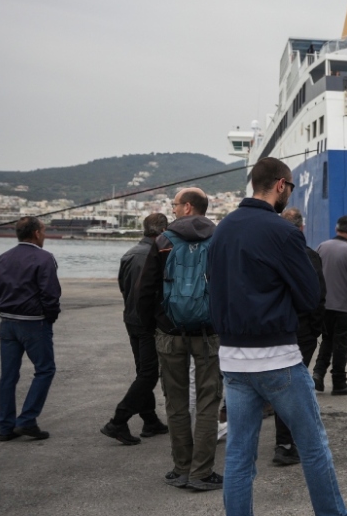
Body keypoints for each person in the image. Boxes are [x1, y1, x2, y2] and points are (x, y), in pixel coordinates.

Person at [207, 157, 347, 516]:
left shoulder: (222, 229)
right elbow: (308, 295)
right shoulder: (283, 232)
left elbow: (214, 287)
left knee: (239, 455)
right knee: (313, 447)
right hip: (278, 359)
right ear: (281, 185)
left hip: (233, 360)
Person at [136, 188, 221, 491]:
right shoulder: (220, 240)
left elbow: (145, 291)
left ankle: (181, 469)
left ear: (187, 207)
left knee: (176, 402)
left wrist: (152, 328)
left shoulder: (163, 241)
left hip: (170, 333)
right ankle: (202, 472)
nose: (172, 210)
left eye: (174, 205)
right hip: (210, 333)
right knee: (209, 402)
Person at [0, 216, 60, 442]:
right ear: (37, 234)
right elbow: (50, 294)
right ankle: (27, 419)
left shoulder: (4, 257)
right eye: (44, 231)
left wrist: (4, 311)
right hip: (34, 323)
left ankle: (5, 427)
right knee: (45, 369)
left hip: (7, 323)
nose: (45, 235)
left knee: (8, 376)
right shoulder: (44, 258)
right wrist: (49, 316)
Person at [101, 213, 170, 445]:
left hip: (130, 318)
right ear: (161, 232)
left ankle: (150, 420)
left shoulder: (129, 253)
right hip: (147, 321)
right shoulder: (154, 255)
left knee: (143, 371)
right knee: (149, 374)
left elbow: (124, 287)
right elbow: (152, 292)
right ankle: (118, 420)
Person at [271, 207, 328, 467]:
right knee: (291, 385)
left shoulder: (269, 255)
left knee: (279, 383)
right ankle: (285, 444)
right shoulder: (309, 256)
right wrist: (315, 330)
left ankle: (285, 441)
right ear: (302, 228)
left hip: (276, 329)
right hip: (301, 331)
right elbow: (318, 297)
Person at [312, 215, 347, 396]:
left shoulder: (321, 247)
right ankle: (339, 382)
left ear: (337, 230)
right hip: (344, 307)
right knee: (341, 344)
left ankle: (318, 374)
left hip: (325, 306)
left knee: (326, 341)